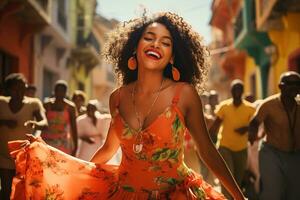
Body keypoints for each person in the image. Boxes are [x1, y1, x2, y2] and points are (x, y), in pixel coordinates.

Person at [8, 12, 245, 199]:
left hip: (176, 194)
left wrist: (239, 196)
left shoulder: (184, 94)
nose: (156, 45)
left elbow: (207, 150)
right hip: (124, 193)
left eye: (166, 42)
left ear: (172, 56)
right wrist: (56, 161)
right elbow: (108, 149)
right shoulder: (117, 98)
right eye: (149, 38)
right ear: (135, 48)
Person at [248, 71, 300, 200]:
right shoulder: (268, 104)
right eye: (290, 84)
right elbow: (254, 122)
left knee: (295, 194)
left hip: (295, 155)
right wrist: (252, 134)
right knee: (273, 193)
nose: (294, 87)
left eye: (297, 84)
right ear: (280, 86)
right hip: (271, 153)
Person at [0, 73, 47, 200]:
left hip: (25, 155)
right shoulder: (1, 102)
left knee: (24, 190)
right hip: (4, 155)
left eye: (23, 88)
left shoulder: (33, 104)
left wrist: (36, 124)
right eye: (16, 88)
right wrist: (4, 122)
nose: (20, 91)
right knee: (5, 190)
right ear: (8, 89)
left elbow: (44, 123)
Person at [209, 80, 255, 199]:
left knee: (237, 179)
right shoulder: (224, 106)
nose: (237, 92)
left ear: (242, 91)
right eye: (235, 89)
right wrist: (208, 141)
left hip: (241, 148)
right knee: (227, 177)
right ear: (231, 91)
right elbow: (215, 125)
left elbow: (255, 126)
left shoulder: (250, 109)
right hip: (225, 146)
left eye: (239, 89)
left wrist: (246, 128)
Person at [41, 80, 78, 156]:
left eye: (62, 91)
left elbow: (74, 128)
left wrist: (75, 146)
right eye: (57, 90)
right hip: (46, 141)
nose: (59, 93)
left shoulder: (70, 107)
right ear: (54, 91)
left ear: (66, 92)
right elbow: (41, 123)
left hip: (63, 143)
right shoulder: (47, 105)